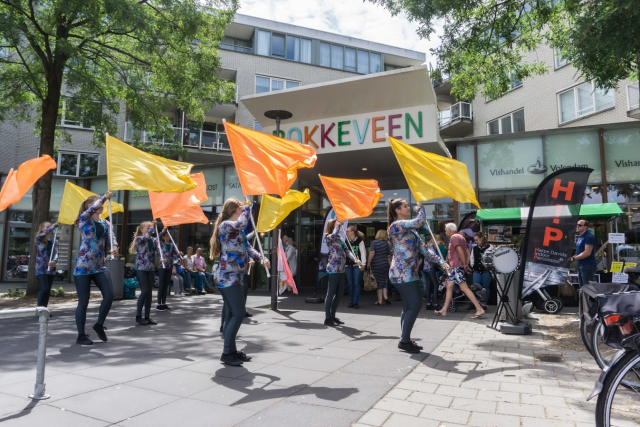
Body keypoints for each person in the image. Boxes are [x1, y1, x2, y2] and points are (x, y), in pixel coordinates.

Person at [210, 198, 269, 366]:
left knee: (231, 314)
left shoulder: (238, 230)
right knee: (239, 313)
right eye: (240, 207)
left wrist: (261, 259)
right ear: (235, 210)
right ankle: (227, 353)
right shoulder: (226, 225)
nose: (242, 208)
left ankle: (231, 350)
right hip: (226, 277)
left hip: (236, 276)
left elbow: (247, 248)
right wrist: (248, 208)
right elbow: (242, 223)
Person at [388, 199, 449, 353]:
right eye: (405, 206)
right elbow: (420, 221)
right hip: (401, 274)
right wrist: (420, 207)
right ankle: (404, 340)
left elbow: (425, 250)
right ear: (397, 210)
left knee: (408, 306)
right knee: (415, 305)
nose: (408, 208)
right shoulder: (396, 226)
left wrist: (441, 262)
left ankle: (405, 339)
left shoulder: (412, 232)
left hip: (410, 273)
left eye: (408, 206)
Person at [73, 193, 118, 345]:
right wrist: (105, 196)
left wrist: (115, 248)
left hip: (99, 266)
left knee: (109, 295)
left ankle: (99, 324)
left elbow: (112, 239)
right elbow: (93, 207)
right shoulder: (83, 220)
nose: (102, 205)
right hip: (83, 267)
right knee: (83, 301)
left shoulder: (106, 223)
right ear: (89, 206)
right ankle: (81, 335)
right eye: (98, 203)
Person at [436, 223, 486, 319]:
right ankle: (444, 309)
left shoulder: (454, 237)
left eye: (446, 229)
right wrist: (465, 264)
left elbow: (460, 251)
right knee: (449, 286)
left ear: (450, 230)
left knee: (464, 288)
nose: (445, 231)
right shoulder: (461, 237)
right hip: (457, 267)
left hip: (456, 267)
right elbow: (466, 252)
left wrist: (464, 264)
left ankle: (479, 309)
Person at [324, 219, 361, 326]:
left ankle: (333, 315)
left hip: (341, 269)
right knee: (331, 293)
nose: (340, 226)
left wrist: (355, 259)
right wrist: (338, 225)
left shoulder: (340, 239)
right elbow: (334, 234)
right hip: (333, 269)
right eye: (336, 224)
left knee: (339, 294)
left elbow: (347, 251)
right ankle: (327, 318)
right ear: (332, 226)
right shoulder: (329, 237)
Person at [129, 221, 159, 325]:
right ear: (142, 230)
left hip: (150, 267)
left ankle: (147, 316)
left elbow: (158, 249)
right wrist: (151, 229)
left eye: (151, 228)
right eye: (148, 227)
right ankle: (138, 316)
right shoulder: (139, 239)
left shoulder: (154, 240)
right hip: (141, 267)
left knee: (149, 292)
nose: (150, 229)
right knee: (145, 290)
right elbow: (145, 237)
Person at [35, 221, 59, 309]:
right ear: (42, 229)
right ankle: (39, 309)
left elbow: (56, 252)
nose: (50, 228)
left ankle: (44, 309)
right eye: (47, 227)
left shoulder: (54, 240)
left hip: (51, 268)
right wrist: (53, 226)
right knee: (44, 288)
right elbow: (44, 234)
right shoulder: (39, 239)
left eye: (50, 226)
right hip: (41, 268)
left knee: (48, 290)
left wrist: (54, 261)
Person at [158, 228, 181, 308]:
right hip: (162, 266)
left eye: (169, 236)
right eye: (167, 236)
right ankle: (159, 304)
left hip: (169, 267)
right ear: (164, 237)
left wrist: (179, 254)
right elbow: (157, 237)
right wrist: (163, 231)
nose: (168, 237)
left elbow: (176, 254)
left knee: (166, 285)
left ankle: (163, 303)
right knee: (161, 285)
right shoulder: (161, 244)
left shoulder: (172, 245)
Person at [345, 224, 366, 309]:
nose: (346, 232)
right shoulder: (346, 241)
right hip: (347, 264)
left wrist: (363, 265)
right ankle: (351, 301)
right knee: (350, 283)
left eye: (348, 231)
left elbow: (363, 253)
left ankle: (355, 301)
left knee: (356, 283)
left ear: (352, 232)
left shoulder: (360, 241)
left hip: (357, 265)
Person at [368, 229, 391, 306]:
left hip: (376, 264)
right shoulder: (386, 243)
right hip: (385, 264)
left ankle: (380, 301)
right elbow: (388, 256)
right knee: (384, 280)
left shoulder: (374, 243)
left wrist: (368, 263)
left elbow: (372, 253)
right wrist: (390, 265)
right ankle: (386, 296)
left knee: (378, 282)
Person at [572, 219, 597, 288]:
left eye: (580, 225)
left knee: (588, 287)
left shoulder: (588, 237)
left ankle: (590, 299)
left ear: (586, 227)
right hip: (581, 265)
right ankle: (584, 299)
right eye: (576, 225)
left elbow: (587, 252)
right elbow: (579, 252)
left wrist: (574, 258)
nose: (577, 226)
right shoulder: (580, 237)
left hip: (587, 265)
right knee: (582, 288)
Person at [471, 232, 491, 305]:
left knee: (485, 287)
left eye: (476, 240)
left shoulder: (489, 247)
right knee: (475, 286)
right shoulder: (474, 248)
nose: (475, 242)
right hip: (476, 270)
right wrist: (473, 265)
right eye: (475, 240)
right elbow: (472, 258)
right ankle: (476, 302)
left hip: (486, 270)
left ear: (481, 238)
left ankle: (484, 302)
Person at [422, 239, 441, 310]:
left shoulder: (428, 246)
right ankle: (436, 303)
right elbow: (433, 257)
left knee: (428, 285)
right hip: (430, 267)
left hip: (425, 268)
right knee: (435, 284)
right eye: (440, 242)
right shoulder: (431, 247)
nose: (439, 244)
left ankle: (428, 303)